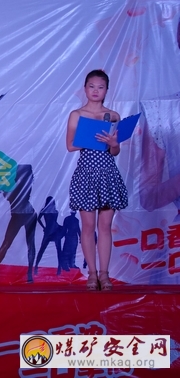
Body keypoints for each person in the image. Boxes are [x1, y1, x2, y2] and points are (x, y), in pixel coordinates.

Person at [66, 69, 128, 291]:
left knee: (105, 226)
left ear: (106, 90)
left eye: (100, 87)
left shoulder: (113, 116)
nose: (95, 91)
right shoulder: (77, 114)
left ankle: (105, 274)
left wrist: (113, 143)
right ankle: (91, 274)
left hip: (107, 173)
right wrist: (90, 137)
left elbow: (115, 151)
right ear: (85, 89)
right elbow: (70, 145)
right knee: (88, 225)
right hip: (86, 173)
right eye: (91, 86)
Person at [0, 164, 37, 283]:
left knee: (8, 243)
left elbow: (7, 195)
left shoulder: (14, 186)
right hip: (26, 212)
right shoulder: (25, 184)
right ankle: (29, 274)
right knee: (27, 244)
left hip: (22, 213)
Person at [34, 196, 64, 275]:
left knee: (45, 249)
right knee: (54, 250)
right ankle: (58, 268)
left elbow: (39, 219)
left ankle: (59, 268)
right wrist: (44, 227)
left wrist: (44, 227)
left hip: (51, 231)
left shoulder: (46, 210)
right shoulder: (53, 210)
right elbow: (39, 219)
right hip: (52, 231)